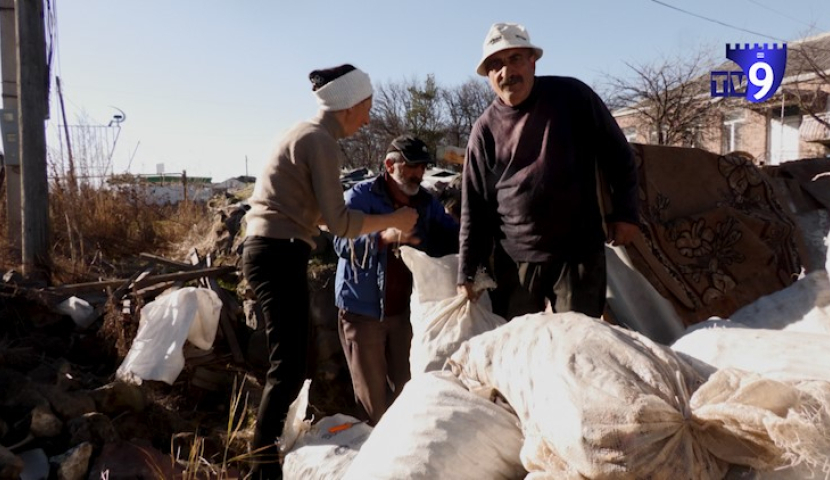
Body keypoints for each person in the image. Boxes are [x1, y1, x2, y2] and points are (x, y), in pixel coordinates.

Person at [242, 64, 418, 480]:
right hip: (277, 251)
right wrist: (395, 219)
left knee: (290, 365)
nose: (369, 118)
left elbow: (321, 214)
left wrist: (376, 224)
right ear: (349, 106)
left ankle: (264, 461)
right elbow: (338, 223)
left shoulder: (303, 135)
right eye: (367, 108)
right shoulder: (318, 140)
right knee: (287, 369)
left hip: (275, 249)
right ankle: (261, 468)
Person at [457, 23, 640, 321]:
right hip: (515, 261)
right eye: (496, 65)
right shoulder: (484, 129)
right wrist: (468, 270)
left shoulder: (572, 97)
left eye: (515, 58)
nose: (506, 72)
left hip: (577, 253)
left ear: (532, 60)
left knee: (578, 345)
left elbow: (619, 155)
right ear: (488, 75)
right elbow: (474, 206)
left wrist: (626, 213)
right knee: (519, 347)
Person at [333, 134, 459, 425]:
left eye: (422, 167)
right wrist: (383, 236)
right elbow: (340, 243)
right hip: (363, 314)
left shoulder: (426, 202)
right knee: (373, 403)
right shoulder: (361, 196)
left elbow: (449, 235)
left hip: (404, 312)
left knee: (409, 392)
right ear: (390, 165)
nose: (418, 173)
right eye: (411, 166)